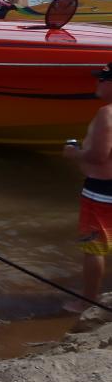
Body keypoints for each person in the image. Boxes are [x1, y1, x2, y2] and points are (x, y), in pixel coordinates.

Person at [62, 62, 112, 311]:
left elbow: (99, 156)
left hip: (100, 191)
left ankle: (88, 301)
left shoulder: (107, 113)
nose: (97, 82)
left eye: (102, 78)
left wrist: (74, 153)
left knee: (94, 247)